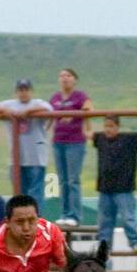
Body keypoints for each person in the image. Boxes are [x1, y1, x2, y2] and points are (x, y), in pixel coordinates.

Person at [92, 115, 137, 253]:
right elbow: (87, 134)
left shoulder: (128, 139)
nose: (108, 129)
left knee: (128, 218)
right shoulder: (101, 139)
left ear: (118, 127)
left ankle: (135, 243)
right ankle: (104, 249)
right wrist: (85, 118)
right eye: (106, 126)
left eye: (111, 126)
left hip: (124, 188)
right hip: (105, 189)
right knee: (105, 222)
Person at [0, 79, 53, 205]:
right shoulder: (10, 105)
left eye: (26, 90)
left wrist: (28, 112)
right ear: (16, 92)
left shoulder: (37, 103)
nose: (23, 93)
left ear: (31, 91)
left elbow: (49, 109)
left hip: (36, 158)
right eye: (20, 90)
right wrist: (5, 112)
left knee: (36, 194)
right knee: (20, 194)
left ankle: (36, 221)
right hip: (17, 158)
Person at [50, 68, 92, 227]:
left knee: (73, 179)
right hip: (58, 141)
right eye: (61, 76)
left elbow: (88, 109)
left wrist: (75, 115)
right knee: (62, 180)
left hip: (75, 142)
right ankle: (64, 213)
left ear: (75, 79)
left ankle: (75, 215)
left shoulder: (80, 96)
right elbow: (48, 114)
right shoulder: (55, 98)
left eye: (68, 76)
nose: (64, 79)